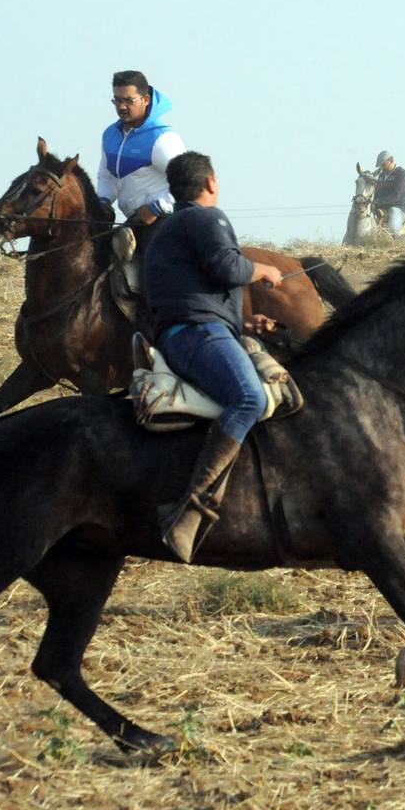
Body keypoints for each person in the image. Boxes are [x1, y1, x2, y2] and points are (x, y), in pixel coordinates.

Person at [144, 151, 284, 563]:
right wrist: (263, 270)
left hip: (194, 330)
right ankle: (192, 507)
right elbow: (227, 267)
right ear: (210, 183)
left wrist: (241, 324)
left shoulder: (170, 229)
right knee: (250, 399)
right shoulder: (207, 218)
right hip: (197, 334)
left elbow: (192, 291)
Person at [97, 70, 185, 253]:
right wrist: (103, 201)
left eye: (129, 100)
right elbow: (106, 177)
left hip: (164, 222)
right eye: (117, 100)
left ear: (145, 99)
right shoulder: (110, 135)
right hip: (134, 222)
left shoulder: (163, 138)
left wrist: (156, 207)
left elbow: (188, 183)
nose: (122, 107)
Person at [372, 151, 405, 238]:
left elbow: (397, 196)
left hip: (398, 208)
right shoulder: (381, 176)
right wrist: (373, 204)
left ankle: (399, 245)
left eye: (383, 164)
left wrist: (378, 202)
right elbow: (377, 193)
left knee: (393, 230)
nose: (382, 167)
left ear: (391, 160)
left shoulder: (401, 174)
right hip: (381, 209)